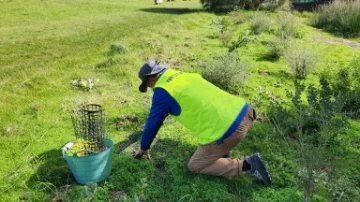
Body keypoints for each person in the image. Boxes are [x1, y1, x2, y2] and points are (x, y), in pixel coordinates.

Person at [133, 60, 271, 185]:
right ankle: (223, 152)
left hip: (232, 129)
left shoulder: (162, 92)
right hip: (246, 111)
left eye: (148, 85)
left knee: (195, 165)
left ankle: (248, 165)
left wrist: (144, 147)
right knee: (215, 126)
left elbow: (152, 124)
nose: (150, 88)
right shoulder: (183, 74)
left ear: (151, 78)